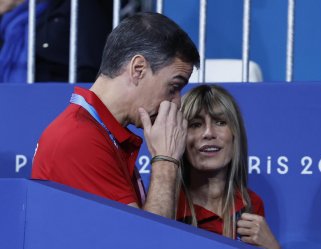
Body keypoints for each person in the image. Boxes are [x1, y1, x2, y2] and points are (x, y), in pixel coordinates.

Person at [31, 12, 200, 219]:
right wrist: (166, 160)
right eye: (174, 87)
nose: (176, 102)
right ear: (138, 69)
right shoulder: (79, 139)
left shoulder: (100, 133)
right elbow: (148, 243)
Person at [176, 84, 281, 249]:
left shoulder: (251, 204)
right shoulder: (167, 207)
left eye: (220, 122)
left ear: (235, 135)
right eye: (195, 124)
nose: (209, 133)